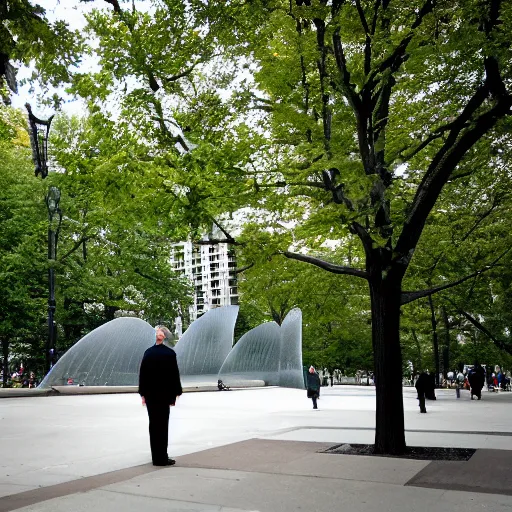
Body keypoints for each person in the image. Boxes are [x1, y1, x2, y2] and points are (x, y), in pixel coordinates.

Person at [139, 325, 182, 467]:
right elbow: (174, 376)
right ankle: (162, 457)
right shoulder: (170, 354)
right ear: (165, 336)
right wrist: (175, 394)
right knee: (163, 425)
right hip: (164, 395)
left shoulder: (148, 353)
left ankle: (155, 458)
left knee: (153, 425)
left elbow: (143, 375)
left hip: (151, 395)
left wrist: (143, 394)